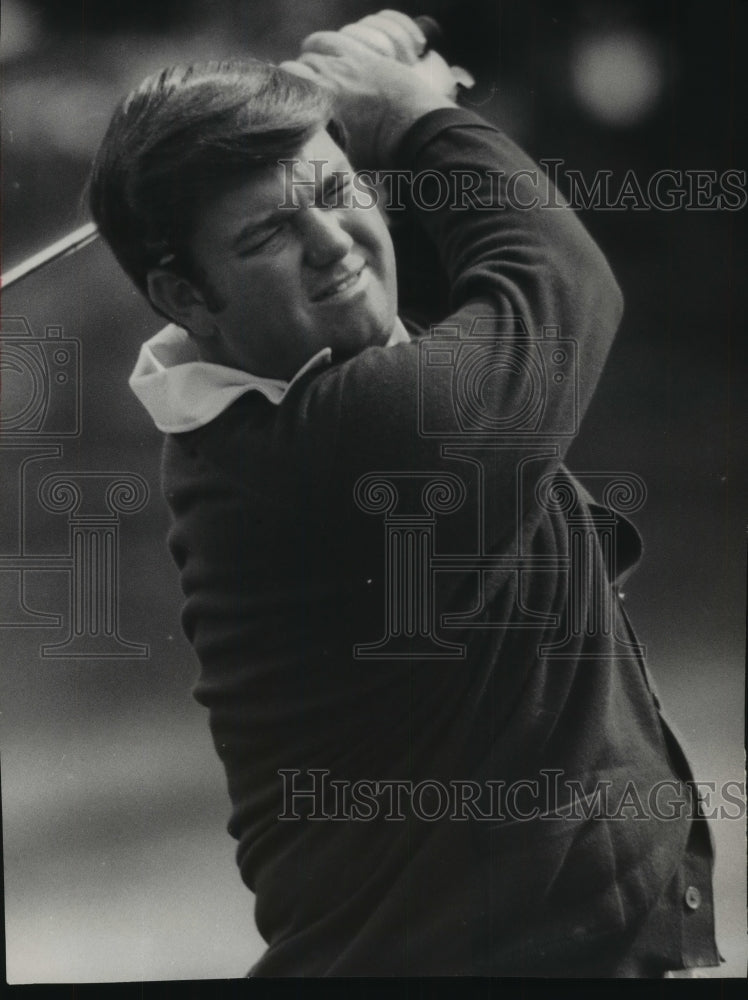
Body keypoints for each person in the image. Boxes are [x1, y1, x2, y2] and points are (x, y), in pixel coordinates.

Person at [89, 10, 721, 977]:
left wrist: (392, 109)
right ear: (182, 297)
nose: (333, 243)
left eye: (339, 189)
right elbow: (560, 277)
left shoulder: (292, 377)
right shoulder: (348, 440)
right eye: (267, 233)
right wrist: (416, 117)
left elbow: (455, 260)